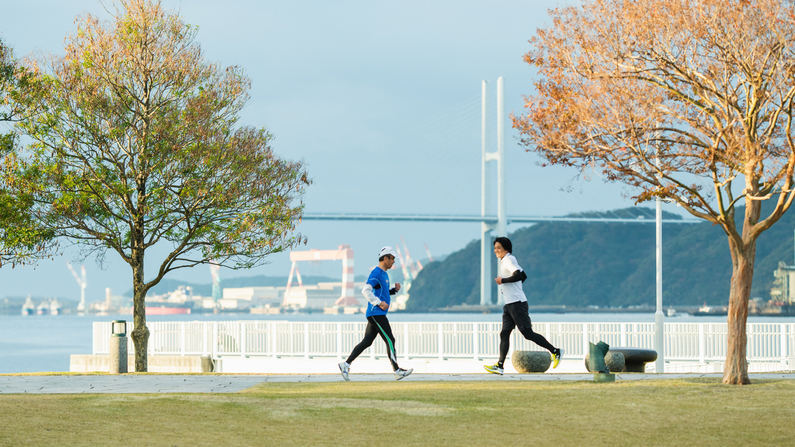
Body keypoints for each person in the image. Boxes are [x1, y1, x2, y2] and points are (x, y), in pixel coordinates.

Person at [484, 236, 563, 375]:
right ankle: (500, 366)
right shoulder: (505, 261)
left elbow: (519, 275)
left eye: (499, 248)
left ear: (506, 248)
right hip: (509, 304)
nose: (496, 250)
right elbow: (524, 275)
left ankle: (555, 351)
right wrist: (513, 287)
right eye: (495, 247)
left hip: (517, 303)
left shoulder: (509, 259)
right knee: (504, 334)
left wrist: (503, 280)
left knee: (527, 333)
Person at [339, 246, 413, 381]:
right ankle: (397, 370)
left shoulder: (384, 274)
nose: (394, 262)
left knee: (367, 341)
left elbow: (380, 292)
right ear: (385, 258)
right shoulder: (376, 273)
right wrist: (378, 303)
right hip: (376, 313)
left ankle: (346, 364)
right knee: (390, 340)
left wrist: (393, 291)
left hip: (377, 313)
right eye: (392, 259)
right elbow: (365, 291)